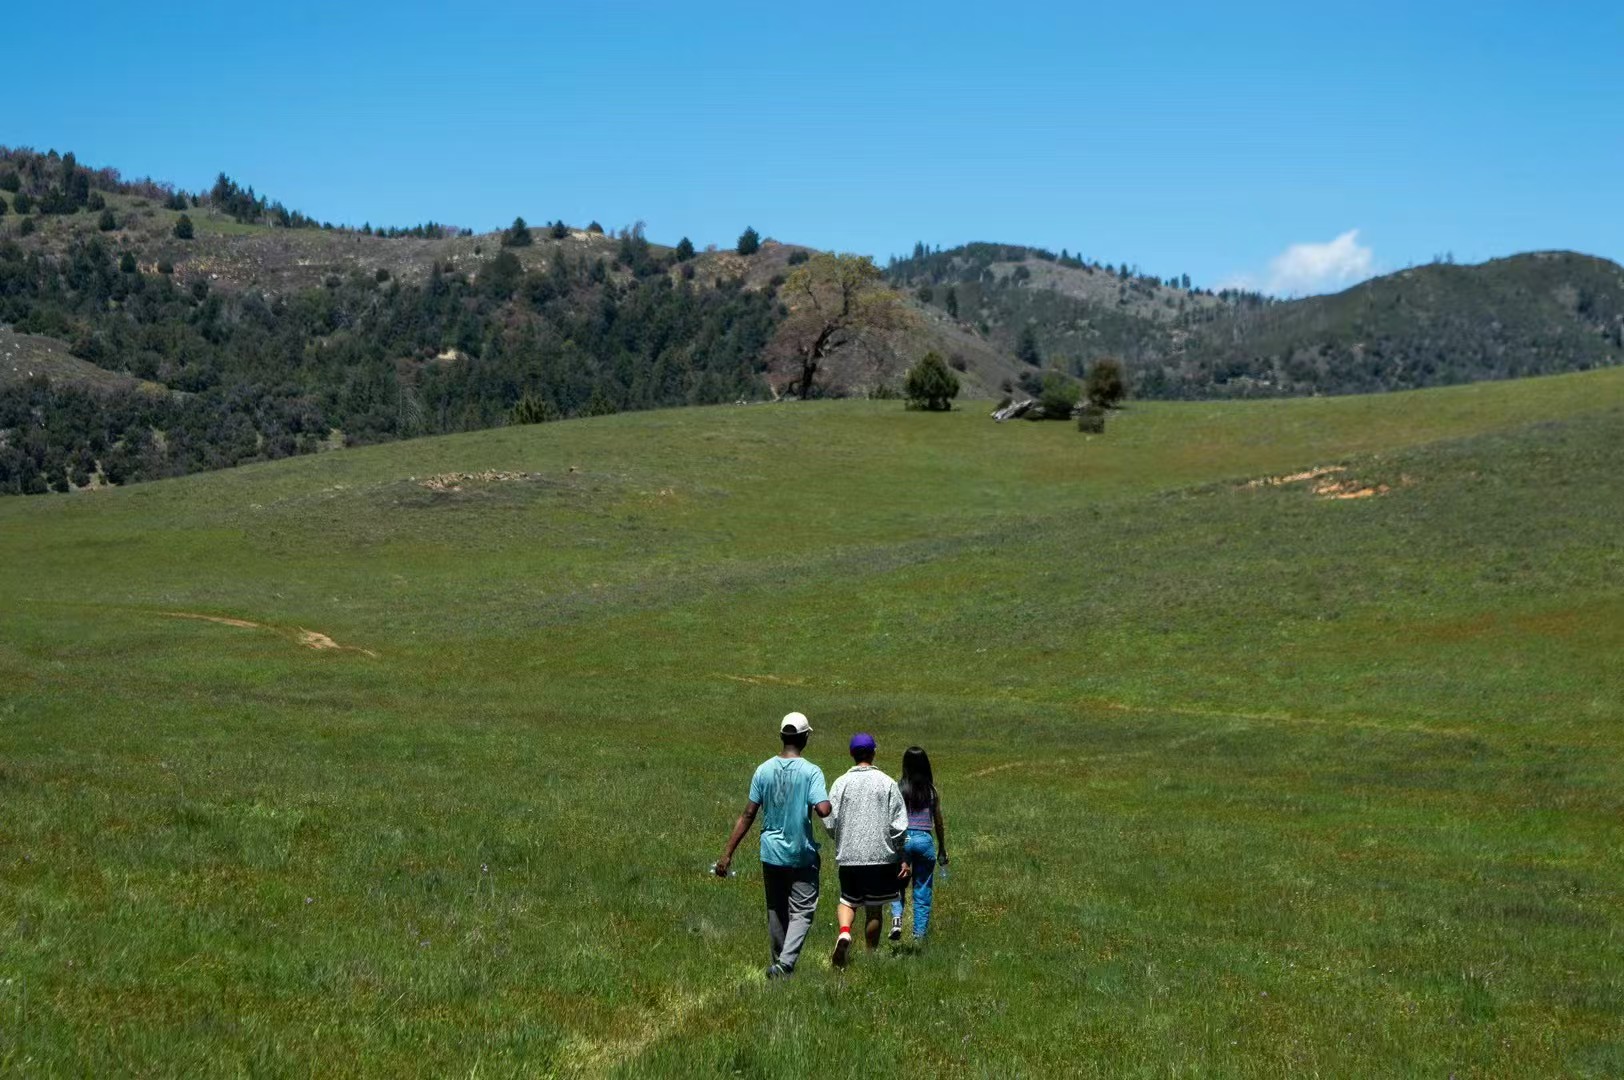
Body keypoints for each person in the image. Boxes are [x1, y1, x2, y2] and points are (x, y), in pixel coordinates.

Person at [715, 711, 832, 979]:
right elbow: (824, 810)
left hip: (771, 852)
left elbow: (748, 814)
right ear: (805, 738)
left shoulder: (763, 770)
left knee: (776, 911)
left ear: (781, 736)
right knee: (802, 910)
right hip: (800, 852)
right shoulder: (811, 772)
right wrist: (830, 803)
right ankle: (785, 964)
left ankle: (779, 966)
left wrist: (727, 854)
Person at [823, 732, 908, 969]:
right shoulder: (887, 782)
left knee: (847, 902)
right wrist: (901, 853)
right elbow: (899, 825)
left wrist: (838, 837)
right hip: (880, 856)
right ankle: (870, 956)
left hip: (849, 856)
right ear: (873, 753)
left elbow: (829, 819)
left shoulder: (840, 783)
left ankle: (844, 932)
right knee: (874, 910)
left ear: (852, 754)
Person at [889, 746, 948, 942]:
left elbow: (891, 818)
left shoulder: (899, 788)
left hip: (903, 839)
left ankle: (897, 918)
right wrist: (942, 848)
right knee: (922, 889)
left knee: (897, 883)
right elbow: (938, 822)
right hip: (924, 840)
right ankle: (918, 936)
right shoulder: (931, 791)